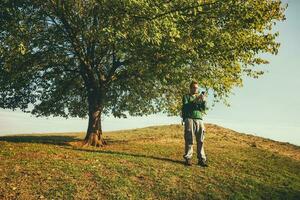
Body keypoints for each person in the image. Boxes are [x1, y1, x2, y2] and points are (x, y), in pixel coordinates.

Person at [181, 80, 208, 167]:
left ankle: (201, 160)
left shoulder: (199, 97)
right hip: (189, 118)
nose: (196, 89)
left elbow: (203, 109)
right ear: (191, 88)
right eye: (194, 88)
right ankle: (188, 158)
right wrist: (195, 100)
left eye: (197, 88)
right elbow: (186, 107)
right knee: (189, 139)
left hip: (199, 119)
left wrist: (204, 101)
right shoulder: (186, 96)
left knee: (201, 140)